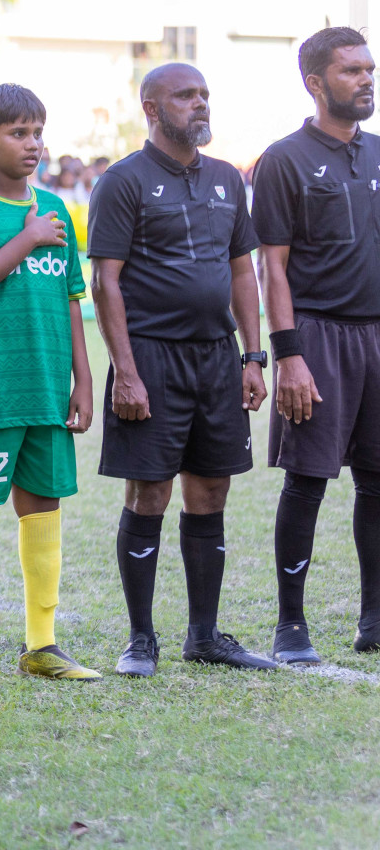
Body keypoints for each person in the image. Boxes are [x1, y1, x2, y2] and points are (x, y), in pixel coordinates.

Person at [88, 62, 273, 676]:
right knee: (150, 492)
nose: (199, 104)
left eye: (204, 95)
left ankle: (205, 635)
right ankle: (141, 639)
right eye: (185, 96)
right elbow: (105, 282)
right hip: (152, 357)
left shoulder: (226, 179)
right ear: (150, 106)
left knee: (211, 490)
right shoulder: (123, 181)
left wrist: (253, 354)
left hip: (217, 358)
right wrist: (127, 372)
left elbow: (242, 270)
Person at [0, 84, 99, 691]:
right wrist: (26, 238)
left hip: (47, 391)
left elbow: (72, 300)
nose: (33, 145)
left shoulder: (55, 206)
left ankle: (42, 645)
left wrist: (83, 381)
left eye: (38, 133)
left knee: (44, 511)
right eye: (18, 134)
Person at [250, 27, 380, 664]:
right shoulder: (284, 160)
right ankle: (291, 625)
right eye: (352, 70)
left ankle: (374, 620)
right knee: (307, 481)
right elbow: (271, 268)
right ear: (316, 82)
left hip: (378, 333)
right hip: (319, 336)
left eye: (369, 69)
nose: (366, 79)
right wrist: (288, 352)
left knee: (379, 482)